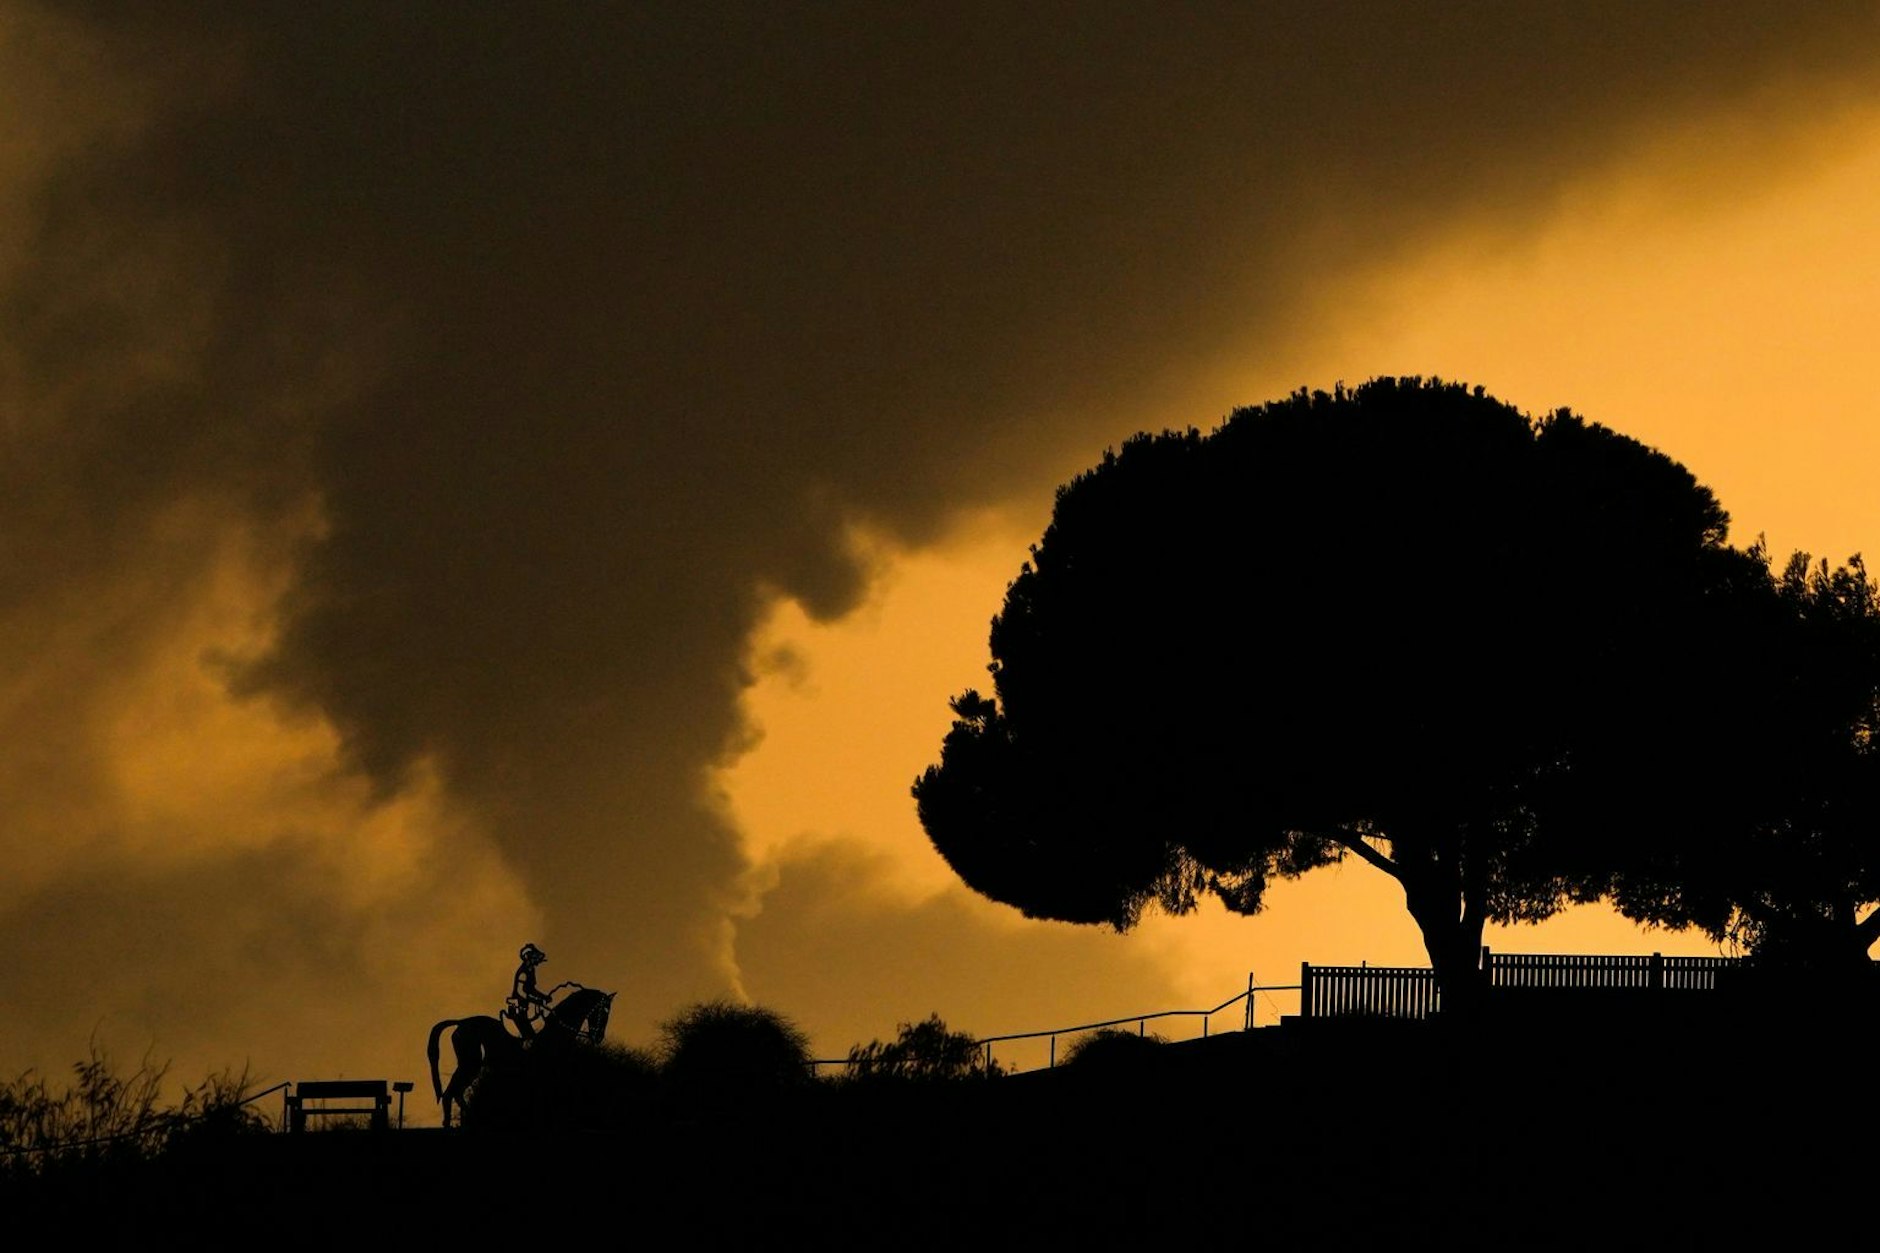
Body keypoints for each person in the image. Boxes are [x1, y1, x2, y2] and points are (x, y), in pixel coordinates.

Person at [505, 943, 552, 1040]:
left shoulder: (531, 970)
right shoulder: (523, 972)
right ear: (528, 958)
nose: (537, 961)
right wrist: (537, 1000)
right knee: (530, 1037)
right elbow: (520, 992)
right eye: (534, 957)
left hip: (524, 1008)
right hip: (517, 1010)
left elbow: (532, 990)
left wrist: (543, 996)